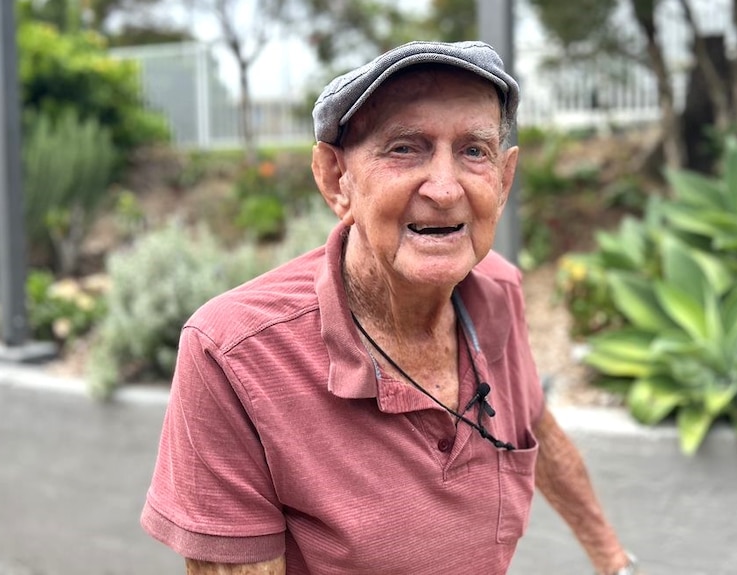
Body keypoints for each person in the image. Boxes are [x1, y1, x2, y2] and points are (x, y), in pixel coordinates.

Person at [141, 40, 639, 575]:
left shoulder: (497, 290)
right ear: (337, 179)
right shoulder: (235, 355)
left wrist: (616, 563)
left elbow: (534, 424)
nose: (446, 189)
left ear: (503, 179)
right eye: (405, 147)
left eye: (475, 150)